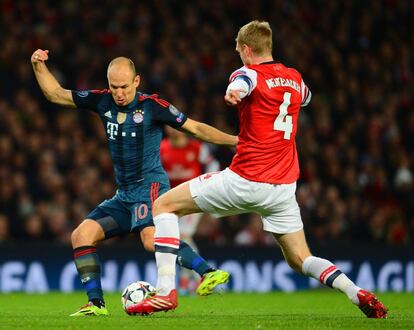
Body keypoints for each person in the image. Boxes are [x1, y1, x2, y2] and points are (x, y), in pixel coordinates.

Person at [127, 21, 388, 319]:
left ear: (247, 49)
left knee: (164, 206)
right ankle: (357, 293)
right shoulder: (294, 78)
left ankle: (164, 293)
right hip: (283, 188)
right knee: (301, 258)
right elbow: (306, 98)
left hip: (246, 178)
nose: (238, 54)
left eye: (239, 49)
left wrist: (233, 93)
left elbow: (241, 84)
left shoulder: (246, 73)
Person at [31, 49, 235, 316]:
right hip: (124, 195)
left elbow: (195, 128)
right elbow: (55, 93)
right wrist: (38, 65)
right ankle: (96, 305)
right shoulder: (101, 102)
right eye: (114, 87)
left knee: (151, 240)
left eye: (124, 87)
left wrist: (236, 141)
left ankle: (207, 272)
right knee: (81, 235)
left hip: (150, 187)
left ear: (136, 81)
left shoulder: (153, 106)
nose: (119, 93)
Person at [160, 126, 220, 294]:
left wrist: (209, 185)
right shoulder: (162, 147)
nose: (172, 131)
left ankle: (191, 280)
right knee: (177, 238)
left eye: (175, 128)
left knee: (183, 236)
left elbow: (213, 164)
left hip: (193, 198)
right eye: (169, 128)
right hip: (171, 200)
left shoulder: (196, 147)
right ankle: (197, 279)